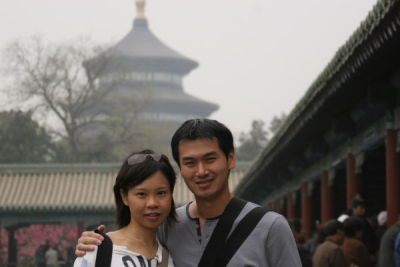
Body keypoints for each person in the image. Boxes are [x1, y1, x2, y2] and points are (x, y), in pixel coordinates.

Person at [76, 119, 301, 266]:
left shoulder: (270, 227)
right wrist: (95, 246)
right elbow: (133, 243)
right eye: (190, 162)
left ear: (231, 159)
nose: (201, 171)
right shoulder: (167, 226)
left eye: (210, 159)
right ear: (181, 168)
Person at [74, 150, 176, 267]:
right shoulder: (99, 251)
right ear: (124, 196)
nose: (152, 203)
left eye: (161, 193)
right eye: (141, 194)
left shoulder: (170, 256)